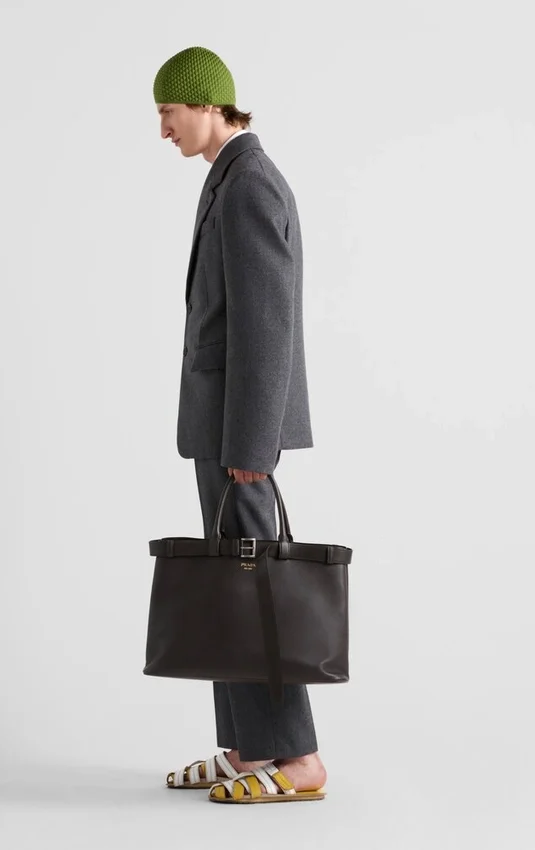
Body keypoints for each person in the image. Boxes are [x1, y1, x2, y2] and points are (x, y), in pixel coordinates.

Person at [153, 46, 326, 803]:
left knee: (257, 592)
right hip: (223, 430)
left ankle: (300, 759)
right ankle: (251, 747)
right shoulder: (228, 177)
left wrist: (253, 445)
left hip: (239, 439)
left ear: (207, 104)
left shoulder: (249, 183)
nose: (163, 129)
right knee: (233, 586)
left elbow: (266, 325)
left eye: (169, 111)